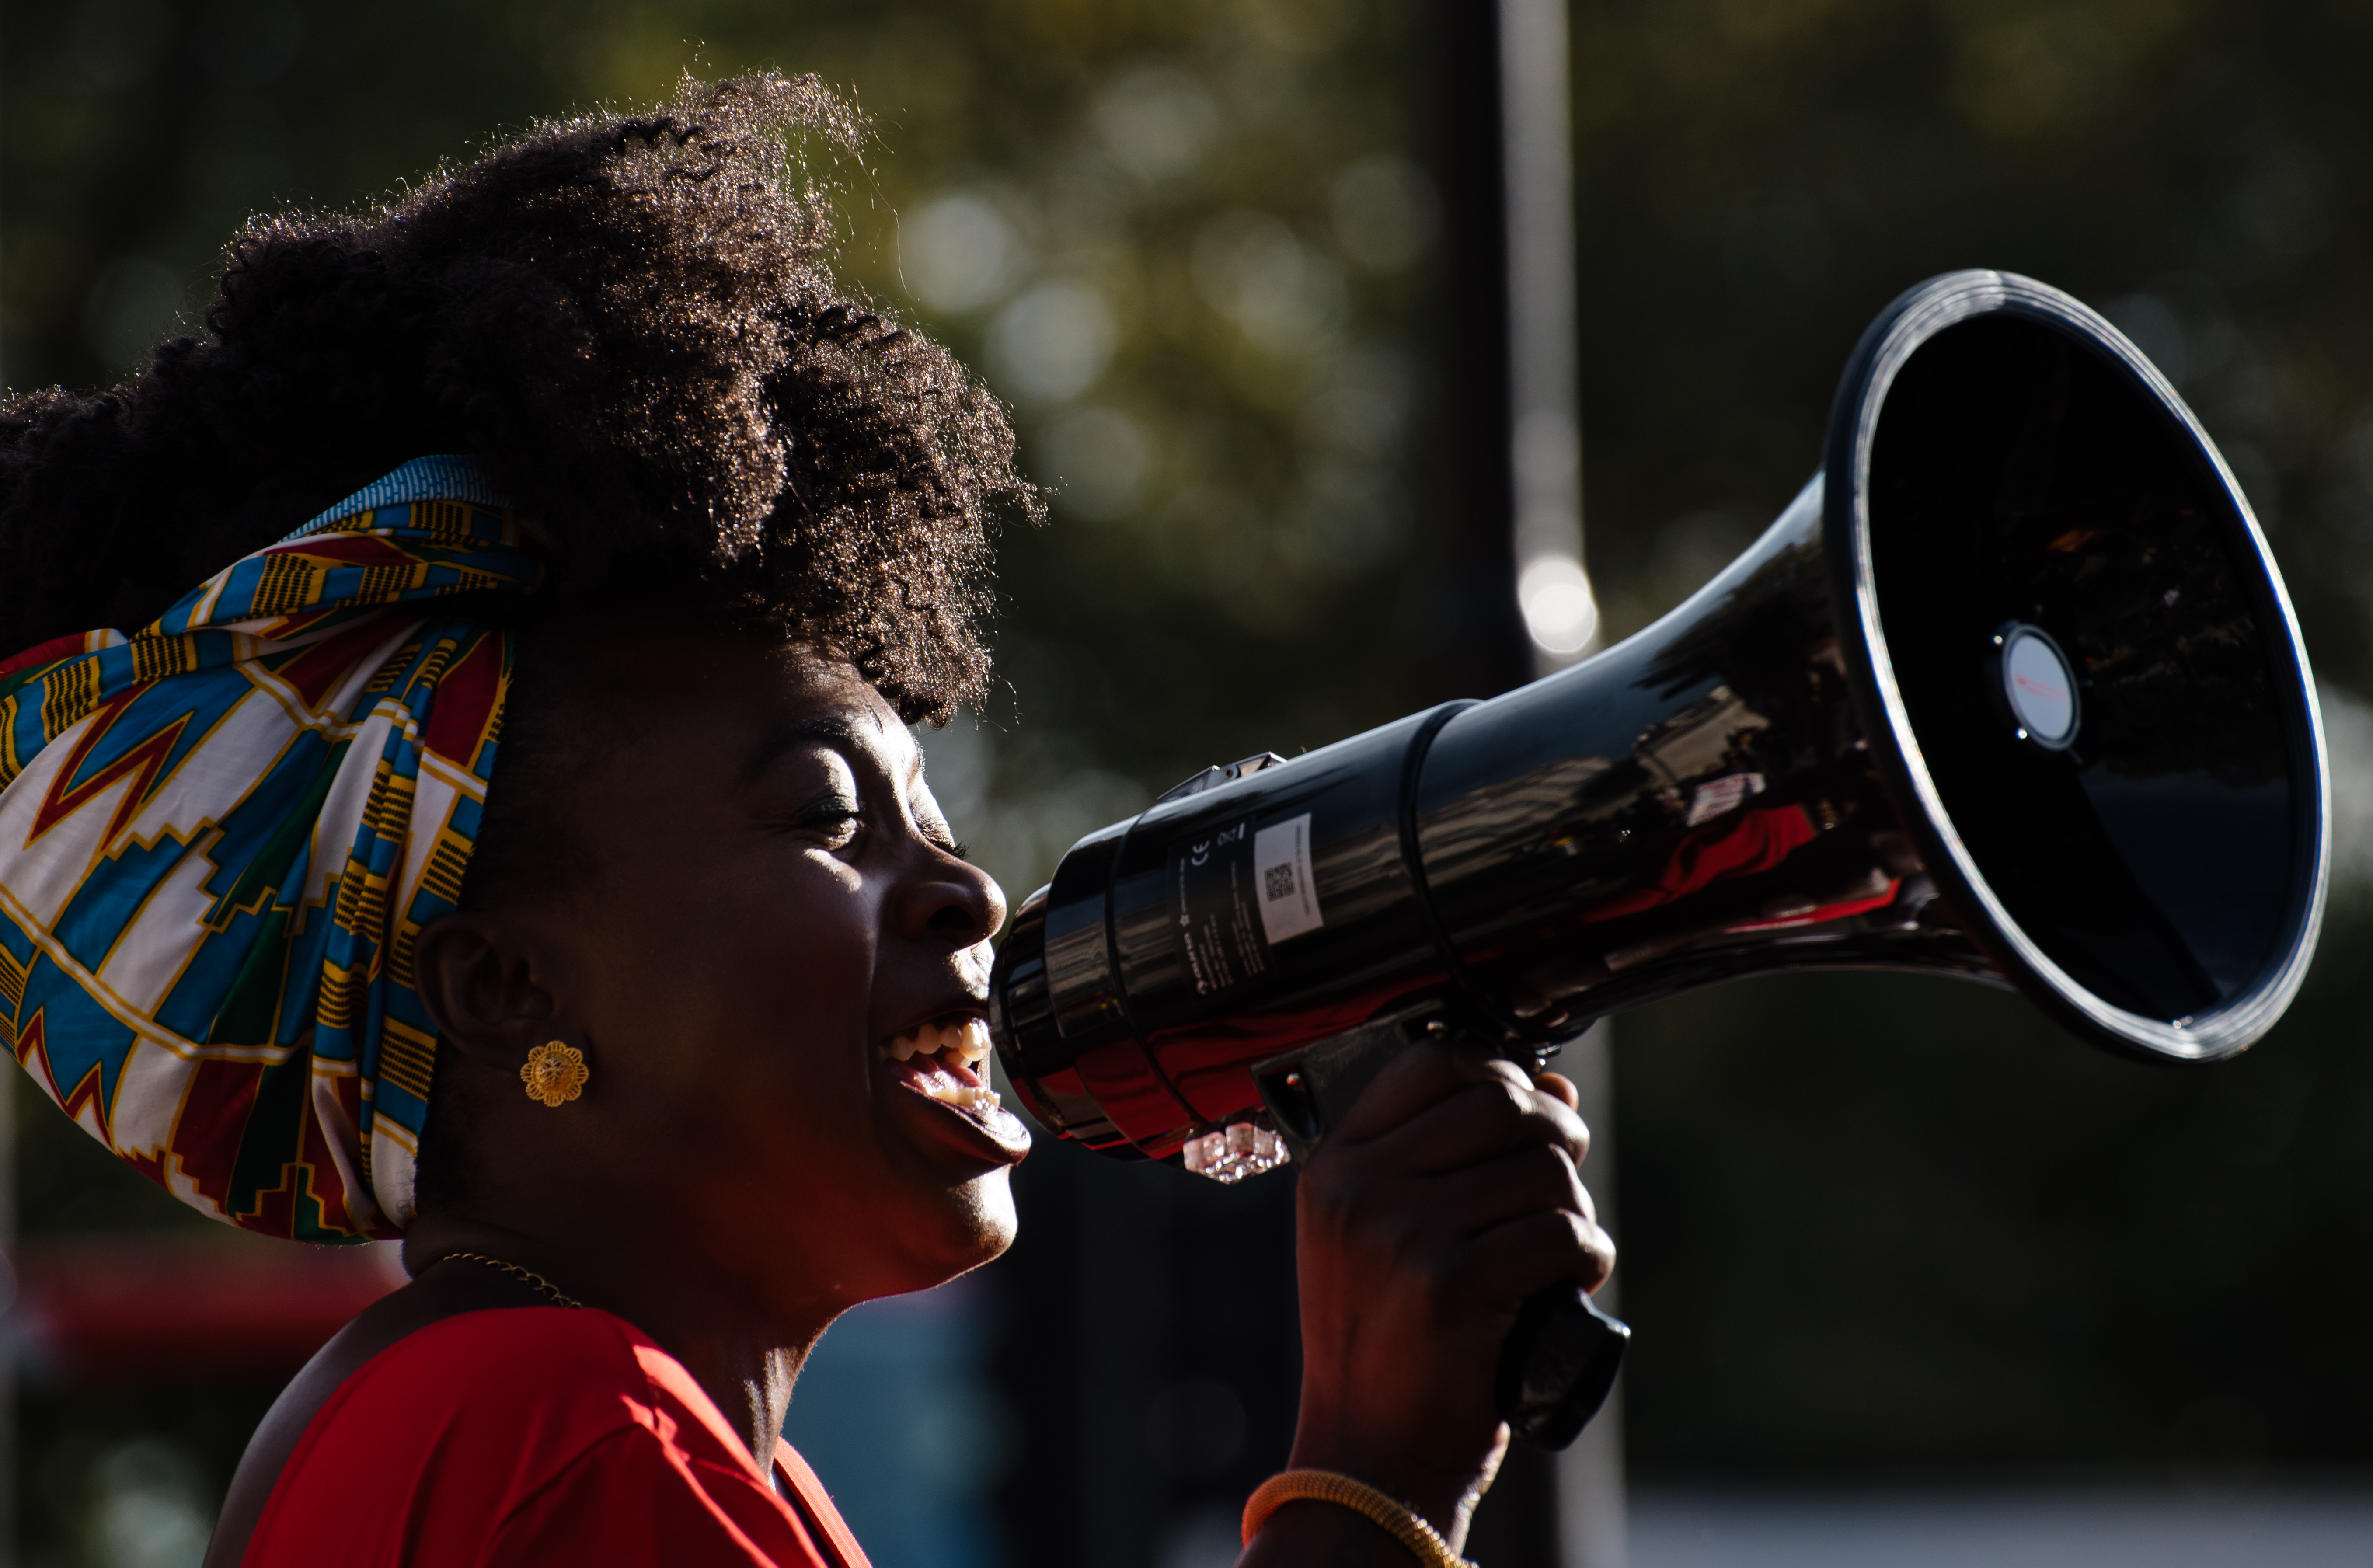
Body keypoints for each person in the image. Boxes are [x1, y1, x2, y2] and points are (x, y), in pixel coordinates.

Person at [0, 77, 1613, 1567]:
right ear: (501, 992)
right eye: (830, 815)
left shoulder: (625, 1433)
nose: (969, 894)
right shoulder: (561, 1433)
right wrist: (1371, 1477)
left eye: (932, 813)